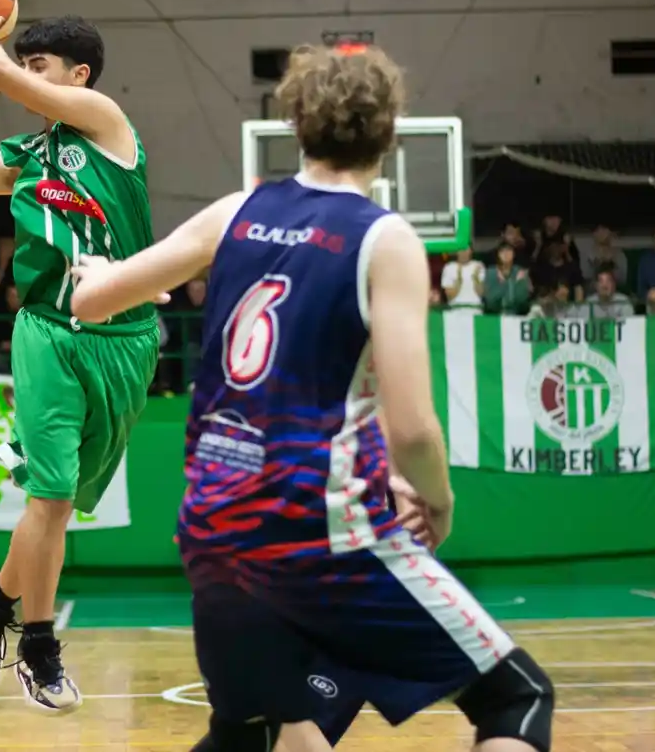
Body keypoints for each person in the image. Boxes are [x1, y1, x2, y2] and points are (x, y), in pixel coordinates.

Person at [69, 45, 555, 752]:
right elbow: (414, 425)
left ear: (294, 122)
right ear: (391, 132)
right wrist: (438, 502)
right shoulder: (384, 239)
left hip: (213, 529)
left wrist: (96, 272)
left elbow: (91, 301)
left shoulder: (237, 212)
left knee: (256, 733)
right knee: (517, 699)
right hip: (316, 535)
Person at [0, 0, 162, 713]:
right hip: (49, 332)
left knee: (58, 506)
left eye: (40, 66)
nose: (24, 75)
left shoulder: (109, 126)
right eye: (24, 64)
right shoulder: (29, 160)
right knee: (49, 498)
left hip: (127, 341)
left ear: (79, 77)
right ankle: (40, 649)